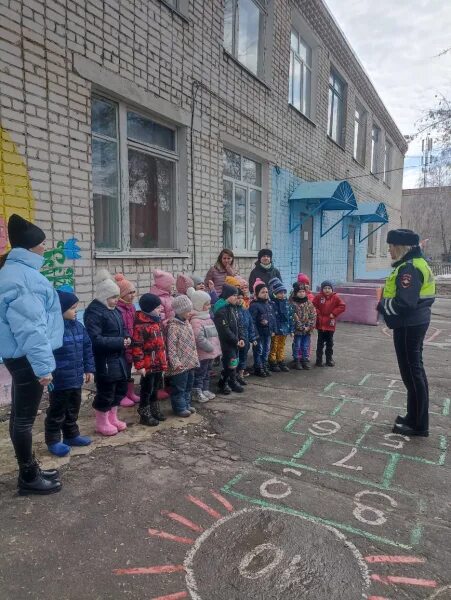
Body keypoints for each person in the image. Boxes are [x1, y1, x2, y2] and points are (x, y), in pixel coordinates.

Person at [0, 214, 64, 495]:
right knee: (24, 419)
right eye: (41, 243)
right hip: (28, 358)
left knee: (19, 417)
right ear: (30, 246)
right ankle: (27, 476)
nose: (45, 247)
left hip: (20, 357)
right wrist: (43, 368)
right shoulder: (25, 279)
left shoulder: (14, 272)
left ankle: (30, 468)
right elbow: (31, 329)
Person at [377, 229, 435, 437]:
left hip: (409, 324)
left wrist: (383, 307)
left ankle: (419, 425)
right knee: (412, 373)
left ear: (401, 247)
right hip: (412, 323)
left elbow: (405, 303)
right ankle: (414, 416)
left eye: (391, 247)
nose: (390, 251)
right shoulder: (410, 264)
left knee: (412, 373)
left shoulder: (409, 268)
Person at [45, 290, 95, 456]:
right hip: (59, 380)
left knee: (73, 408)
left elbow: (87, 348)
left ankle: (71, 435)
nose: (76, 311)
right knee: (57, 411)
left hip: (75, 377)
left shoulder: (79, 327)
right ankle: (53, 440)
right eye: (72, 308)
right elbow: (46, 353)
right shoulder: (52, 330)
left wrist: (89, 368)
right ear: (60, 309)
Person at [84, 269, 130, 436]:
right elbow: (94, 339)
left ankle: (113, 418)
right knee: (106, 391)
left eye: (117, 297)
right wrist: (119, 341)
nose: (116, 301)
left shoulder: (115, 310)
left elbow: (123, 327)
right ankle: (102, 422)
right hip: (105, 361)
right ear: (104, 296)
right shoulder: (94, 313)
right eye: (113, 297)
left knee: (120, 389)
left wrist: (127, 337)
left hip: (119, 359)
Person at [132, 294, 168, 427]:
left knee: (155, 388)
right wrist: (140, 365)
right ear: (149, 308)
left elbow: (161, 345)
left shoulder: (156, 322)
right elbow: (137, 347)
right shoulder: (140, 326)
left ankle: (154, 408)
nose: (160, 310)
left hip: (158, 363)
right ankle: (144, 412)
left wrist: (163, 362)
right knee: (147, 389)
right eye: (158, 307)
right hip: (147, 365)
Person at [166, 295, 200, 416]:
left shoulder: (187, 324)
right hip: (180, 365)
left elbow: (192, 344)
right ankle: (179, 408)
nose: (190, 313)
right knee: (179, 387)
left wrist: (195, 358)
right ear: (180, 311)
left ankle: (186, 404)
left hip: (190, 362)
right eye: (187, 311)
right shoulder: (173, 327)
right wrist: (175, 362)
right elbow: (171, 347)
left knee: (188, 386)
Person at [188, 288, 221, 402]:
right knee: (200, 373)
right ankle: (197, 391)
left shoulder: (206, 316)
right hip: (203, 352)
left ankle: (205, 389)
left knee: (207, 372)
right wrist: (210, 347)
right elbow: (198, 338)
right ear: (199, 305)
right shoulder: (196, 320)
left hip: (210, 352)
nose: (209, 306)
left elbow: (213, 334)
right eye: (206, 304)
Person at [213, 283, 245, 394]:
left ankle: (230, 380)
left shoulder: (233, 308)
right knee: (230, 362)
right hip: (226, 342)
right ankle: (224, 382)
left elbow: (239, 324)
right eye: (234, 295)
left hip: (235, 341)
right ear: (227, 296)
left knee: (233, 362)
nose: (236, 298)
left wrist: (241, 338)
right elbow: (224, 330)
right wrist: (236, 340)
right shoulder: (221, 310)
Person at [115, 272, 139, 407]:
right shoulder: (118, 309)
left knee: (129, 368)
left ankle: (130, 393)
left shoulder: (132, 307)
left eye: (134, 292)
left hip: (133, 341)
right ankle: (122, 394)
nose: (133, 295)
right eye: (130, 293)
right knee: (123, 369)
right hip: (123, 343)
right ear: (121, 294)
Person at [313, 281, 346, 367]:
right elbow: (313, 306)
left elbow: (342, 306)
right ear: (322, 289)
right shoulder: (318, 297)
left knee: (330, 343)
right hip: (320, 324)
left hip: (330, 324)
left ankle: (329, 359)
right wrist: (318, 313)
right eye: (325, 288)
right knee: (320, 343)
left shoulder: (335, 297)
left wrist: (334, 313)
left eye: (329, 288)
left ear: (331, 289)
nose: (327, 290)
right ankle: (319, 360)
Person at [249, 282, 276, 377]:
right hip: (259, 334)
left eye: (266, 292)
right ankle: (258, 367)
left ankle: (264, 365)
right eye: (262, 292)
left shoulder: (269, 304)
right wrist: (254, 334)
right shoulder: (254, 305)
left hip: (268, 333)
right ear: (256, 294)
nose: (265, 294)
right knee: (258, 350)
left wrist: (273, 330)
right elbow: (252, 321)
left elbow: (273, 318)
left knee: (266, 350)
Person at [268, 278, 294, 372]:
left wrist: (291, 330)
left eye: (284, 292)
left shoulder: (287, 303)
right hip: (276, 330)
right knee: (274, 345)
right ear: (275, 293)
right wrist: (272, 330)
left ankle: (281, 361)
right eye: (280, 293)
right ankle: (272, 361)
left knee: (281, 345)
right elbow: (271, 319)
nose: (282, 295)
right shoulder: (272, 303)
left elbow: (290, 317)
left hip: (285, 330)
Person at [289, 283, 317, 370]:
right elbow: (293, 317)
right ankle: (296, 360)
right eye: (299, 292)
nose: (302, 293)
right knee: (297, 345)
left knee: (305, 345)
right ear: (295, 293)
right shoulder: (292, 304)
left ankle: (304, 360)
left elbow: (313, 315)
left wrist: (309, 326)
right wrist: (300, 327)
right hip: (298, 330)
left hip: (307, 330)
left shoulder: (309, 303)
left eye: (303, 291)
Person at [236, 287, 257, 384]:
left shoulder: (245, 311)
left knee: (243, 357)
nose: (240, 300)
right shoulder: (231, 311)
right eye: (237, 297)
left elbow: (251, 325)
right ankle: (232, 375)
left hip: (246, 339)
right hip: (235, 340)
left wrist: (253, 338)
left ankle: (241, 375)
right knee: (235, 358)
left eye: (241, 298)